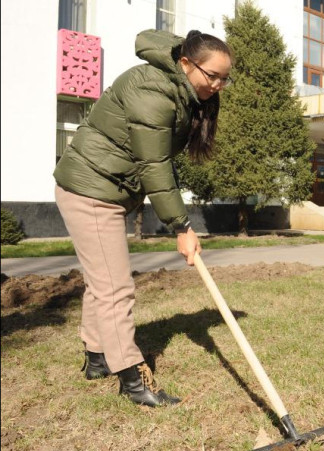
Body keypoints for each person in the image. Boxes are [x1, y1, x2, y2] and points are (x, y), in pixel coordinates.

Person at [53, 29, 233, 406]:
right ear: (185, 63)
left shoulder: (179, 90)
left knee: (101, 281)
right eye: (211, 75)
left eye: (224, 78)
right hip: (91, 190)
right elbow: (154, 165)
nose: (217, 85)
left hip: (104, 189)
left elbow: (159, 163)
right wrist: (181, 227)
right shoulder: (152, 90)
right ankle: (134, 381)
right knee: (116, 288)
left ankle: (97, 358)